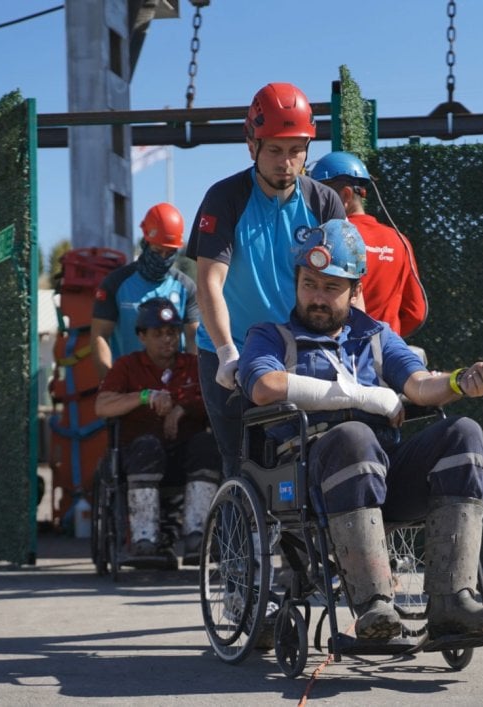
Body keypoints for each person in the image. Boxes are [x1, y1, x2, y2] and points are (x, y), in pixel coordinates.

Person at [237, 219, 483, 641]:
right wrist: (362, 398)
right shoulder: (272, 336)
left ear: (356, 290)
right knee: (355, 436)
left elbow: (420, 386)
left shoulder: (377, 337)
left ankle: (452, 602)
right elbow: (263, 386)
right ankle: (374, 607)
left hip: (383, 478)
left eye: (331, 288)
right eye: (309, 283)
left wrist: (461, 381)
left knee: (464, 433)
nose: (316, 296)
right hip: (310, 478)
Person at [185, 82, 345, 477]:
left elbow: (346, 286)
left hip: (299, 350)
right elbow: (209, 283)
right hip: (232, 352)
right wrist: (225, 352)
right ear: (251, 144)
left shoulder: (324, 202)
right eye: (274, 149)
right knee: (240, 466)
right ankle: (235, 537)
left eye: (296, 150)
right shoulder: (224, 198)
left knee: (309, 462)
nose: (285, 162)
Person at [95, 297, 220, 565]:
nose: (168, 340)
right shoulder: (127, 366)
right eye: (158, 334)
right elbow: (102, 406)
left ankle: (197, 536)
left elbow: (216, 401)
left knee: (207, 445)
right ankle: (144, 538)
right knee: (147, 446)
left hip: (183, 457)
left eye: (172, 332)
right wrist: (143, 397)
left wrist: (183, 408)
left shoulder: (193, 365)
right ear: (142, 336)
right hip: (139, 456)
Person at [310, 151, 428, 336]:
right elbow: (416, 313)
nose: (312, 204)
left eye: (320, 195)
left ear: (346, 196)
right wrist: (386, 337)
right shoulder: (399, 241)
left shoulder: (326, 238)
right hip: (385, 356)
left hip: (339, 354)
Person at [91, 202, 200, 379]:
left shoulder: (186, 287)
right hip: (128, 384)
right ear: (145, 242)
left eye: (169, 252)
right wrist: (109, 383)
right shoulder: (115, 283)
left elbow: (193, 338)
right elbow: (100, 335)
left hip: (173, 385)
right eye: (158, 251)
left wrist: (190, 384)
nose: (163, 258)